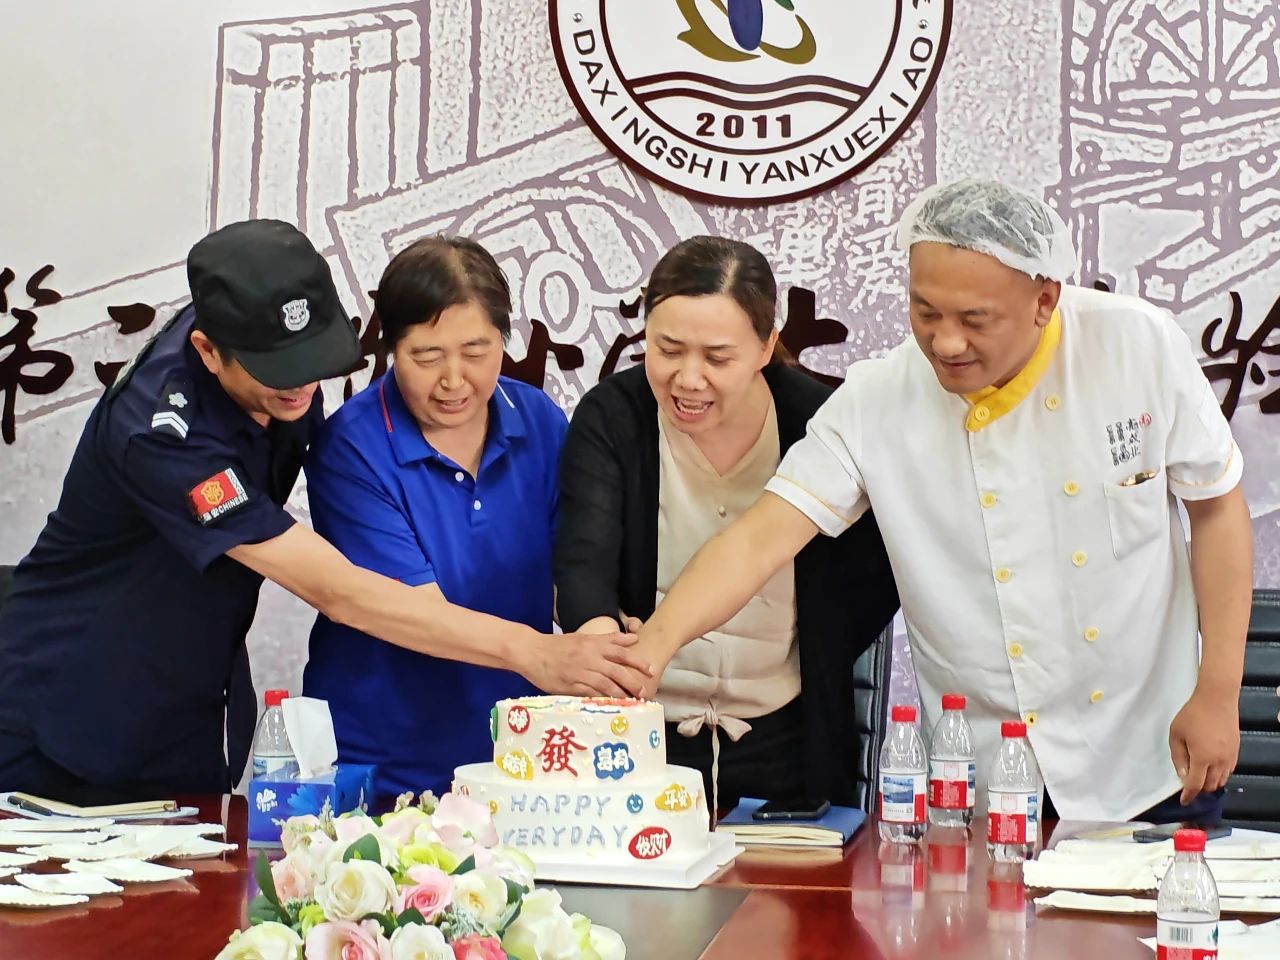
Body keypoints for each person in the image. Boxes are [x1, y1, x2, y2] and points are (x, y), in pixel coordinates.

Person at [630, 180, 1253, 824]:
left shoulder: (1135, 345)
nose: (946, 343)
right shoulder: (879, 398)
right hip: (980, 771)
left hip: (1152, 752)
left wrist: (1217, 692)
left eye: (974, 320)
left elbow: (1216, 508)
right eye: (925, 311)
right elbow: (758, 539)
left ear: (1044, 300)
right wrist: (651, 650)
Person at [0, 221, 646, 802]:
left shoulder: (262, 327)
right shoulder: (164, 436)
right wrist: (534, 652)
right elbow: (338, 591)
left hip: (184, 701)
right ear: (208, 350)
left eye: (311, 359)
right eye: (276, 370)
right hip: (69, 708)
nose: (301, 385)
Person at [556, 236, 899, 811]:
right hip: (642, 734)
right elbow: (582, 559)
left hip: (789, 736)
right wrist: (606, 670)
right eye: (667, 350)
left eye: (717, 358)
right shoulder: (612, 415)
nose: (688, 379)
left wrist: (819, 645)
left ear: (766, 346)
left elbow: (874, 572)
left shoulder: (817, 422)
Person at [303, 236, 640, 798]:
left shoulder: (538, 419)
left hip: (519, 758)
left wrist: (605, 642)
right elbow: (413, 613)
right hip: (387, 768)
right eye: (426, 357)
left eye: (477, 351)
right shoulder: (352, 446)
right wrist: (538, 653)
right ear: (390, 349)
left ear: (504, 339)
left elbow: (574, 569)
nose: (454, 380)